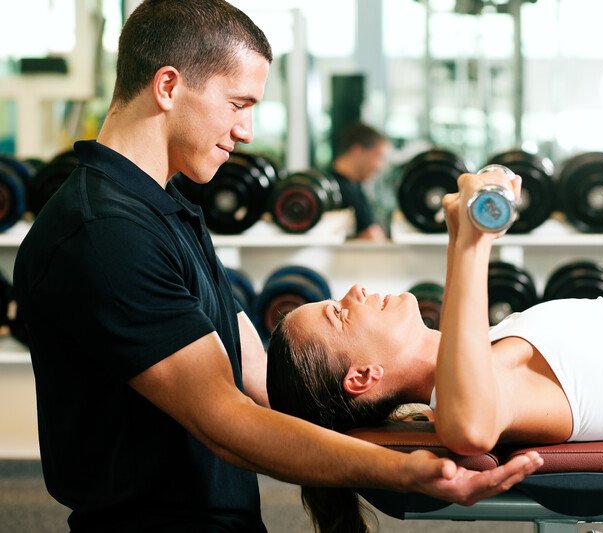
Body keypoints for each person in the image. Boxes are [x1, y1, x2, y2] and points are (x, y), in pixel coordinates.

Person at [12, 2, 543, 532]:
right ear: (168, 86)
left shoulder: (160, 206)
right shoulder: (104, 232)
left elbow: (254, 371)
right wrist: (401, 471)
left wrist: (397, 404)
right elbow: (225, 420)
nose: (245, 130)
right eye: (237, 104)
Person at [266, 167, 603, 530]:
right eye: (339, 312)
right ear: (363, 377)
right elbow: (469, 428)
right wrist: (475, 241)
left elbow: (463, 340)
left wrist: (461, 227)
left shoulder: (487, 353)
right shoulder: (484, 393)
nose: (355, 293)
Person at [329, 122, 390, 241]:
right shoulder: (340, 191)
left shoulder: (354, 187)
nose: (380, 166)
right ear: (357, 151)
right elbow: (372, 238)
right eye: (379, 157)